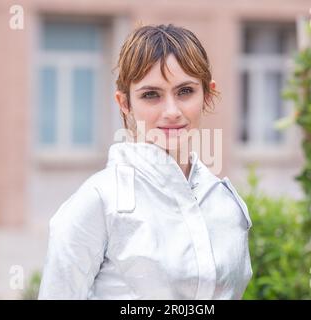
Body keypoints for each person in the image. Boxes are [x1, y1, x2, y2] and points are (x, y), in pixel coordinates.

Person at [38, 24, 252, 300]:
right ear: (124, 103)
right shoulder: (99, 201)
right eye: (151, 95)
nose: (171, 111)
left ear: (207, 95)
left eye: (185, 91)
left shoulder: (225, 203)